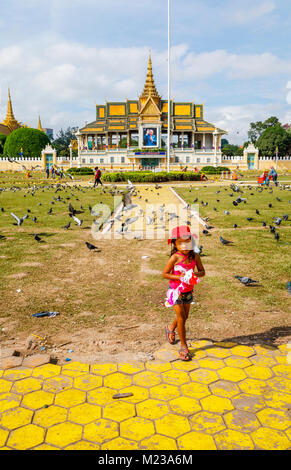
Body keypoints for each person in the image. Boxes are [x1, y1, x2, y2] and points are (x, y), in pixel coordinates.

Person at [162, 225, 205, 361]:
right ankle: (183, 346)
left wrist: (193, 275)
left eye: (187, 242)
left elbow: (202, 271)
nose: (185, 246)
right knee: (181, 317)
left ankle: (170, 328)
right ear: (175, 243)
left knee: (185, 317)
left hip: (188, 291)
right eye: (181, 243)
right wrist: (180, 277)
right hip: (175, 292)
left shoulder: (195, 256)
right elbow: (164, 274)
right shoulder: (175, 257)